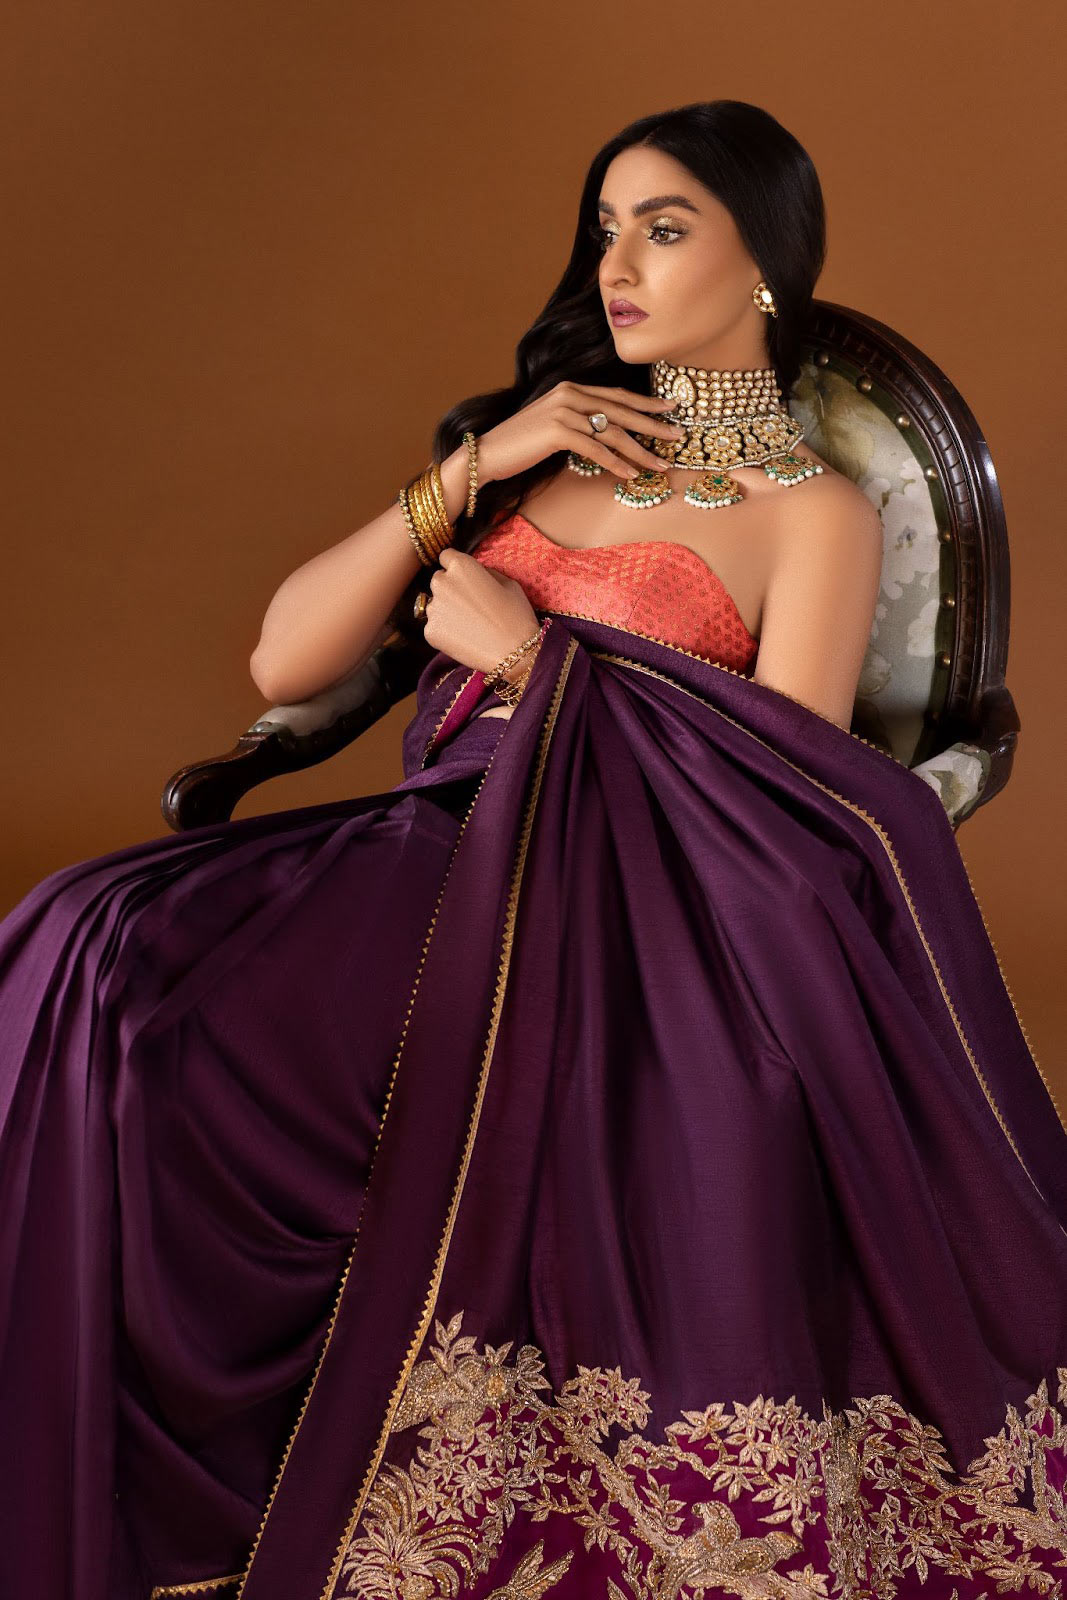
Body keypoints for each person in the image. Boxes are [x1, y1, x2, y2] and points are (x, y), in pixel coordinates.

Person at [2, 98, 1065, 1600]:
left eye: (665, 229)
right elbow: (285, 662)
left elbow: (790, 801)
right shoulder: (544, 451)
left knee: (175, 1037)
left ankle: (209, 1490)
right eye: (606, 229)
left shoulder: (815, 512)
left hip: (585, 901)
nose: (617, 266)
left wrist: (533, 664)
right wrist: (478, 460)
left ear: (768, 261)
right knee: (79, 931)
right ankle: (120, 1471)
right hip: (405, 846)